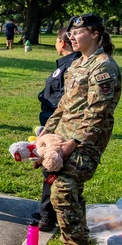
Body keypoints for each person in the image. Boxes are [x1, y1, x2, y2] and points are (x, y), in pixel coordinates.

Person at [39, 14, 121, 245]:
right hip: (62, 138)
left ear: (95, 34)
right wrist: (47, 132)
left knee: (63, 190)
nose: (70, 37)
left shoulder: (103, 67)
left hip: (85, 142)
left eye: (78, 32)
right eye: (70, 33)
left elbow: (98, 113)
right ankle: (77, 242)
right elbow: (64, 105)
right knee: (68, 192)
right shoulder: (77, 65)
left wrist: (72, 143)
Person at [31, 27, 80, 233]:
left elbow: (61, 99)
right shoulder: (67, 64)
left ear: (61, 43)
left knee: (52, 168)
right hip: (52, 125)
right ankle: (47, 212)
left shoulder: (71, 66)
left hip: (61, 128)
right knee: (49, 169)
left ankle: (47, 216)